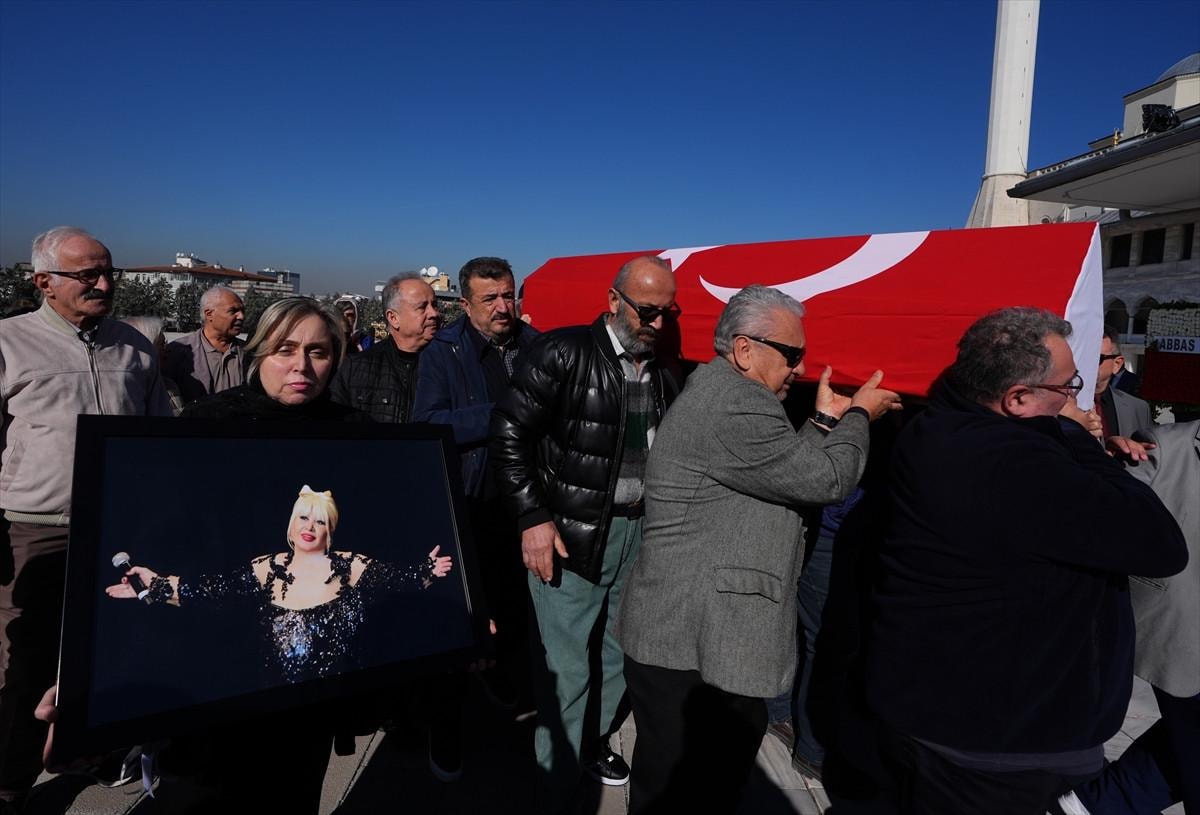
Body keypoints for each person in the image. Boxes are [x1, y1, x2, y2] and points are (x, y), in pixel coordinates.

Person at [862, 307, 1187, 815]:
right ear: (1016, 398)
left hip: (933, 708)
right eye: (1067, 387)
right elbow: (1160, 544)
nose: (1075, 398)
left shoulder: (935, 426)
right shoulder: (1015, 463)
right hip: (1002, 743)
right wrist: (1080, 441)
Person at [614, 285, 900, 812]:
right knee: (683, 789)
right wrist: (859, 416)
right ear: (744, 350)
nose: (800, 367)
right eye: (791, 354)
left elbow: (780, 470)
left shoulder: (727, 393)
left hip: (695, 633)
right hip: (687, 640)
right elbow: (823, 479)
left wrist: (824, 421)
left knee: (702, 779)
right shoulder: (735, 404)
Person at [490, 255, 680, 809]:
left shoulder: (665, 370)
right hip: (569, 536)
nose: (657, 323)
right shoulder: (563, 352)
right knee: (566, 665)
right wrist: (532, 518)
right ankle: (556, 783)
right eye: (647, 310)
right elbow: (509, 434)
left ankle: (587, 745)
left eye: (667, 313)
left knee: (620, 652)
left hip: (639, 535)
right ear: (613, 300)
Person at [0, 226, 171, 808]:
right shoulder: (9, 342)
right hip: (33, 529)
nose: (102, 284)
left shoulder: (136, 345)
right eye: (86, 275)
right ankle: (10, 780)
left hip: (118, 530)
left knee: (106, 652)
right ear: (43, 282)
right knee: (22, 664)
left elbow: (157, 436)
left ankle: (94, 753)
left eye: (107, 272)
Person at [107, 485, 452, 684]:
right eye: (303, 517)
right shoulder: (267, 567)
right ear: (291, 523)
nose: (310, 527)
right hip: (274, 691)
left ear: (330, 530)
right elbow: (213, 590)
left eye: (320, 521)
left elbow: (399, 578)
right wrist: (156, 586)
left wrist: (428, 569)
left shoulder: (350, 564)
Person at [1057, 420, 1200, 815]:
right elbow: (1103, 520)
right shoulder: (1164, 445)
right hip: (1186, 630)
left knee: (1184, 747)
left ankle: (1090, 805)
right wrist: (1099, 462)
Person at [329, 273, 440, 422]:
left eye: (435, 305)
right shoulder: (355, 368)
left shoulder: (448, 365)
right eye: (422, 307)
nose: (434, 313)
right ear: (393, 318)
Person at [163, 285, 246, 405]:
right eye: (233, 311)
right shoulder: (177, 352)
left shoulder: (250, 352)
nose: (241, 317)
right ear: (209, 314)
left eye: (243, 311)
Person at [1095, 326, 1151, 437]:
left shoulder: (1138, 408)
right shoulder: (1063, 404)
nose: (1089, 363)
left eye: (1097, 358)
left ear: (1117, 364)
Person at [122, 315, 185, 415]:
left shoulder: (169, 385)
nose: (168, 349)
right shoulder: (123, 391)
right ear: (144, 348)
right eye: (162, 344)